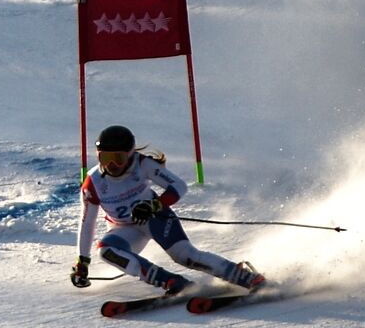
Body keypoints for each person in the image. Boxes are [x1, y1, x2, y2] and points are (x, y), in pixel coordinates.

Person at [69, 125, 264, 295]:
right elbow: (87, 223)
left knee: (185, 256)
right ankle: (170, 281)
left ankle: (245, 277)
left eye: (118, 158)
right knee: (107, 251)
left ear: (129, 154)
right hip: (124, 229)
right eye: (105, 158)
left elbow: (179, 186)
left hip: (155, 218)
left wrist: (155, 205)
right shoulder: (93, 183)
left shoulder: (142, 164)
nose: (111, 165)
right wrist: (82, 262)